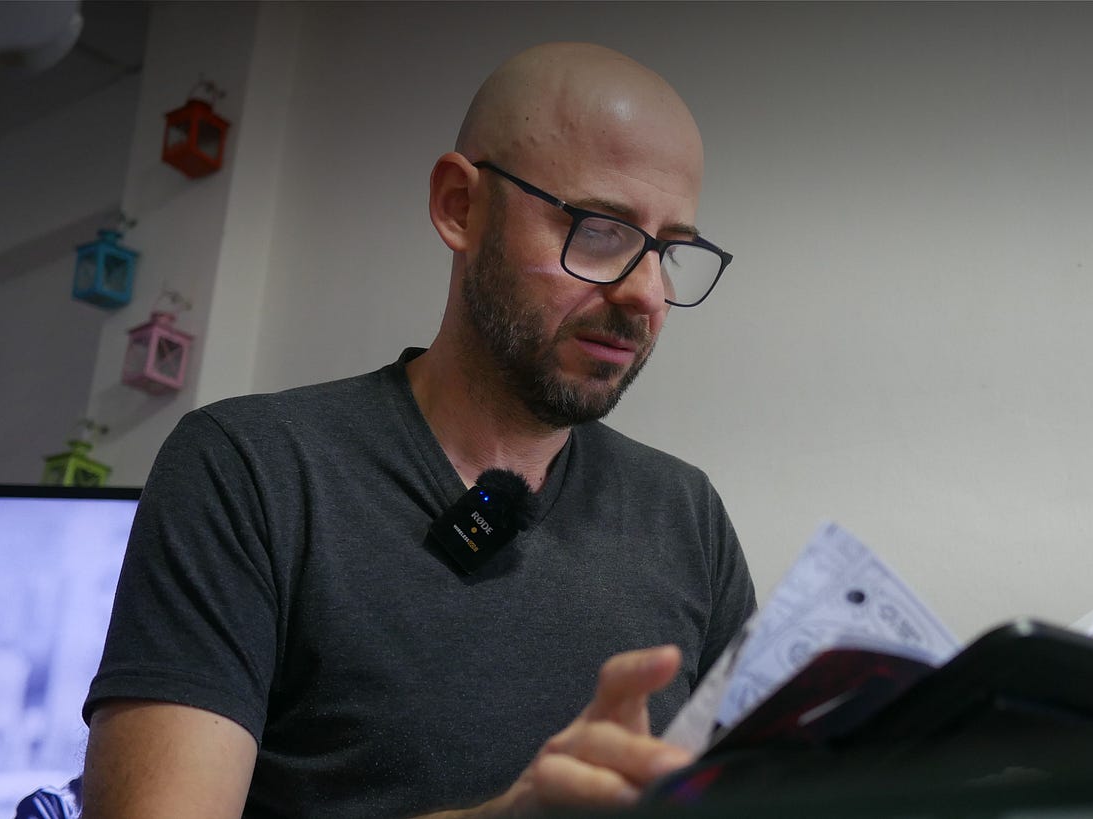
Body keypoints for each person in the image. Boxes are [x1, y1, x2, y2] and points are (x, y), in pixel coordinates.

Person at [81, 42, 756, 818]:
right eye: (601, 229)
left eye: (671, 251)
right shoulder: (250, 470)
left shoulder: (687, 514)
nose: (648, 295)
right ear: (459, 206)